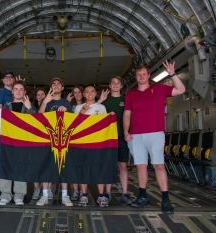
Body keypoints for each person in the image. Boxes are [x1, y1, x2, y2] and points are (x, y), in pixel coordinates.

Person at [123, 61, 185, 214]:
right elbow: (126, 115)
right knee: (141, 166)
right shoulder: (131, 94)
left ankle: (165, 200)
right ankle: (142, 197)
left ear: (149, 75)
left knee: (158, 165)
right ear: (136, 77)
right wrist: (126, 131)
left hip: (155, 133)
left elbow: (181, 90)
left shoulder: (160, 89)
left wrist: (172, 74)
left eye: (144, 74)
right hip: (136, 135)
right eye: (138, 74)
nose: (141, 76)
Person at [0, 80, 37, 205]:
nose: (18, 91)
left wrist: (29, 108)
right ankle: (5, 195)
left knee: (20, 168)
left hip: (23, 145)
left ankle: (19, 196)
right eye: (16, 89)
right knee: (5, 166)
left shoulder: (29, 107)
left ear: (25, 92)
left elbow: (36, 124)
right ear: (12, 91)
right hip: (7, 144)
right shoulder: (5, 107)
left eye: (21, 89)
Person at [37, 77, 73, 207]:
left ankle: (65, 195)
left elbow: (72, 122)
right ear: (51, 87)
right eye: (54, 84)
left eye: (59, 84)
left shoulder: (67, 103)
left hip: (63, 140)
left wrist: (67, 112)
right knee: (47, 167)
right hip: (48, 140)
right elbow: (39, 118)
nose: (56, 85)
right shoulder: (45, 101)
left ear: (62, 88)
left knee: (64, 167)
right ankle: (45, 195)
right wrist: (45, 103)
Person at [98, 76, 133, 206]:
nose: (115, 85)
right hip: (108, 138)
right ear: (109, 85)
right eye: (113, 83)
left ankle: (125, 193)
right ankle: (107, 193)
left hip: (122, 137)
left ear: (122, 85)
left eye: (118, 83)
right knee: (109, 165)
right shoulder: (105, 102)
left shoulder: (126, 100)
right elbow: (95, 116)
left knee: (123, 166)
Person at [74, 85, 110, 207]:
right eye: (87, 91)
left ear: (96, 93)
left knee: (100, 168)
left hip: (98, 143)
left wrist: (111, 117)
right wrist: (82, 111)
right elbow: (74, 125)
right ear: (83, 94)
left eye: (92, 91)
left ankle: (101, 196)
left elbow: (106, 124)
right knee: (84, 169)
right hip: (83, 144)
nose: (90, 93)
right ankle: (83, 195)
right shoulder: (78, 107)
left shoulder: (102, 107)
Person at [66, 85, 85, 201]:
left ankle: (83, 191)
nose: (77, 94)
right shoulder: (71, 106)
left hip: (84, 139)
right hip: (72, 138)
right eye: (75, 92)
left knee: (82, 166)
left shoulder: (88, 104)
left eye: (79, 92)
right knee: (73, 165)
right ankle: (75, 190)